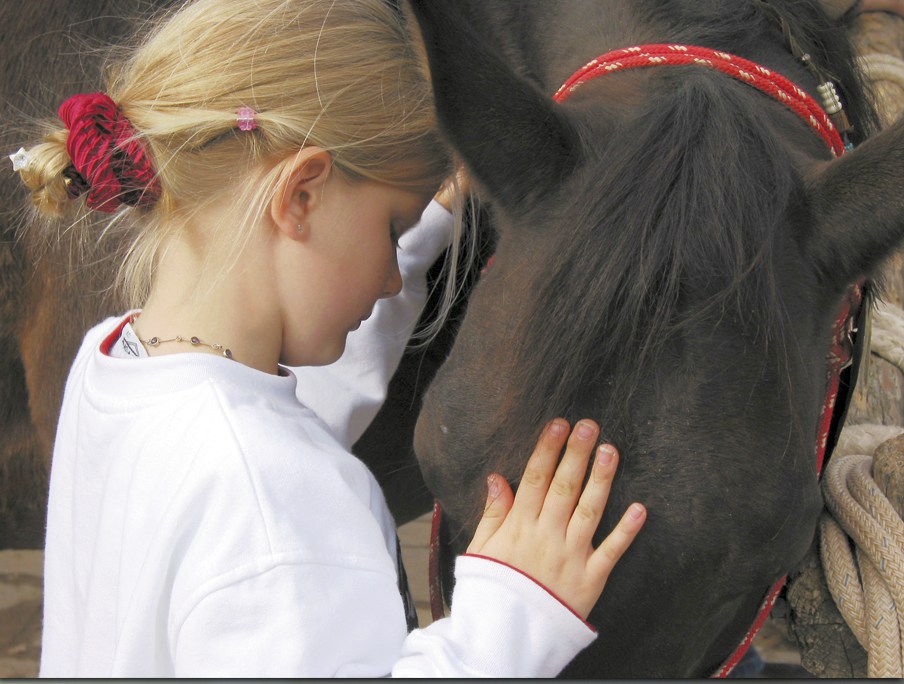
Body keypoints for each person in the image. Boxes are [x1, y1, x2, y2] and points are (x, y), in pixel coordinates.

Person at [11, 0, 646, 677]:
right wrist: (512, 620)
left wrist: (419, 237)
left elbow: (271, 428)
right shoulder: (276, 502)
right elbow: (266, 477)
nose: (382, 278)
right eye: (390, 231)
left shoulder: (114, 364)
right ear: (302, 195)